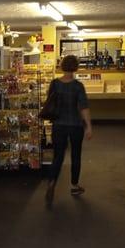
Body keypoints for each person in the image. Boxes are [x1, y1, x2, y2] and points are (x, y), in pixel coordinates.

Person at [46, 55, 92, 203]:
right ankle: (74, 185)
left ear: (62, 65)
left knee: (58, 156)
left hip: (58, 125)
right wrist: (89, 126)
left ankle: (52, 181)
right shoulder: (78, 86)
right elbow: (84, 107)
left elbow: (50, 102)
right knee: (76, 155)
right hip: (75, 125)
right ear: (76, 67)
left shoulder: (54, 84)